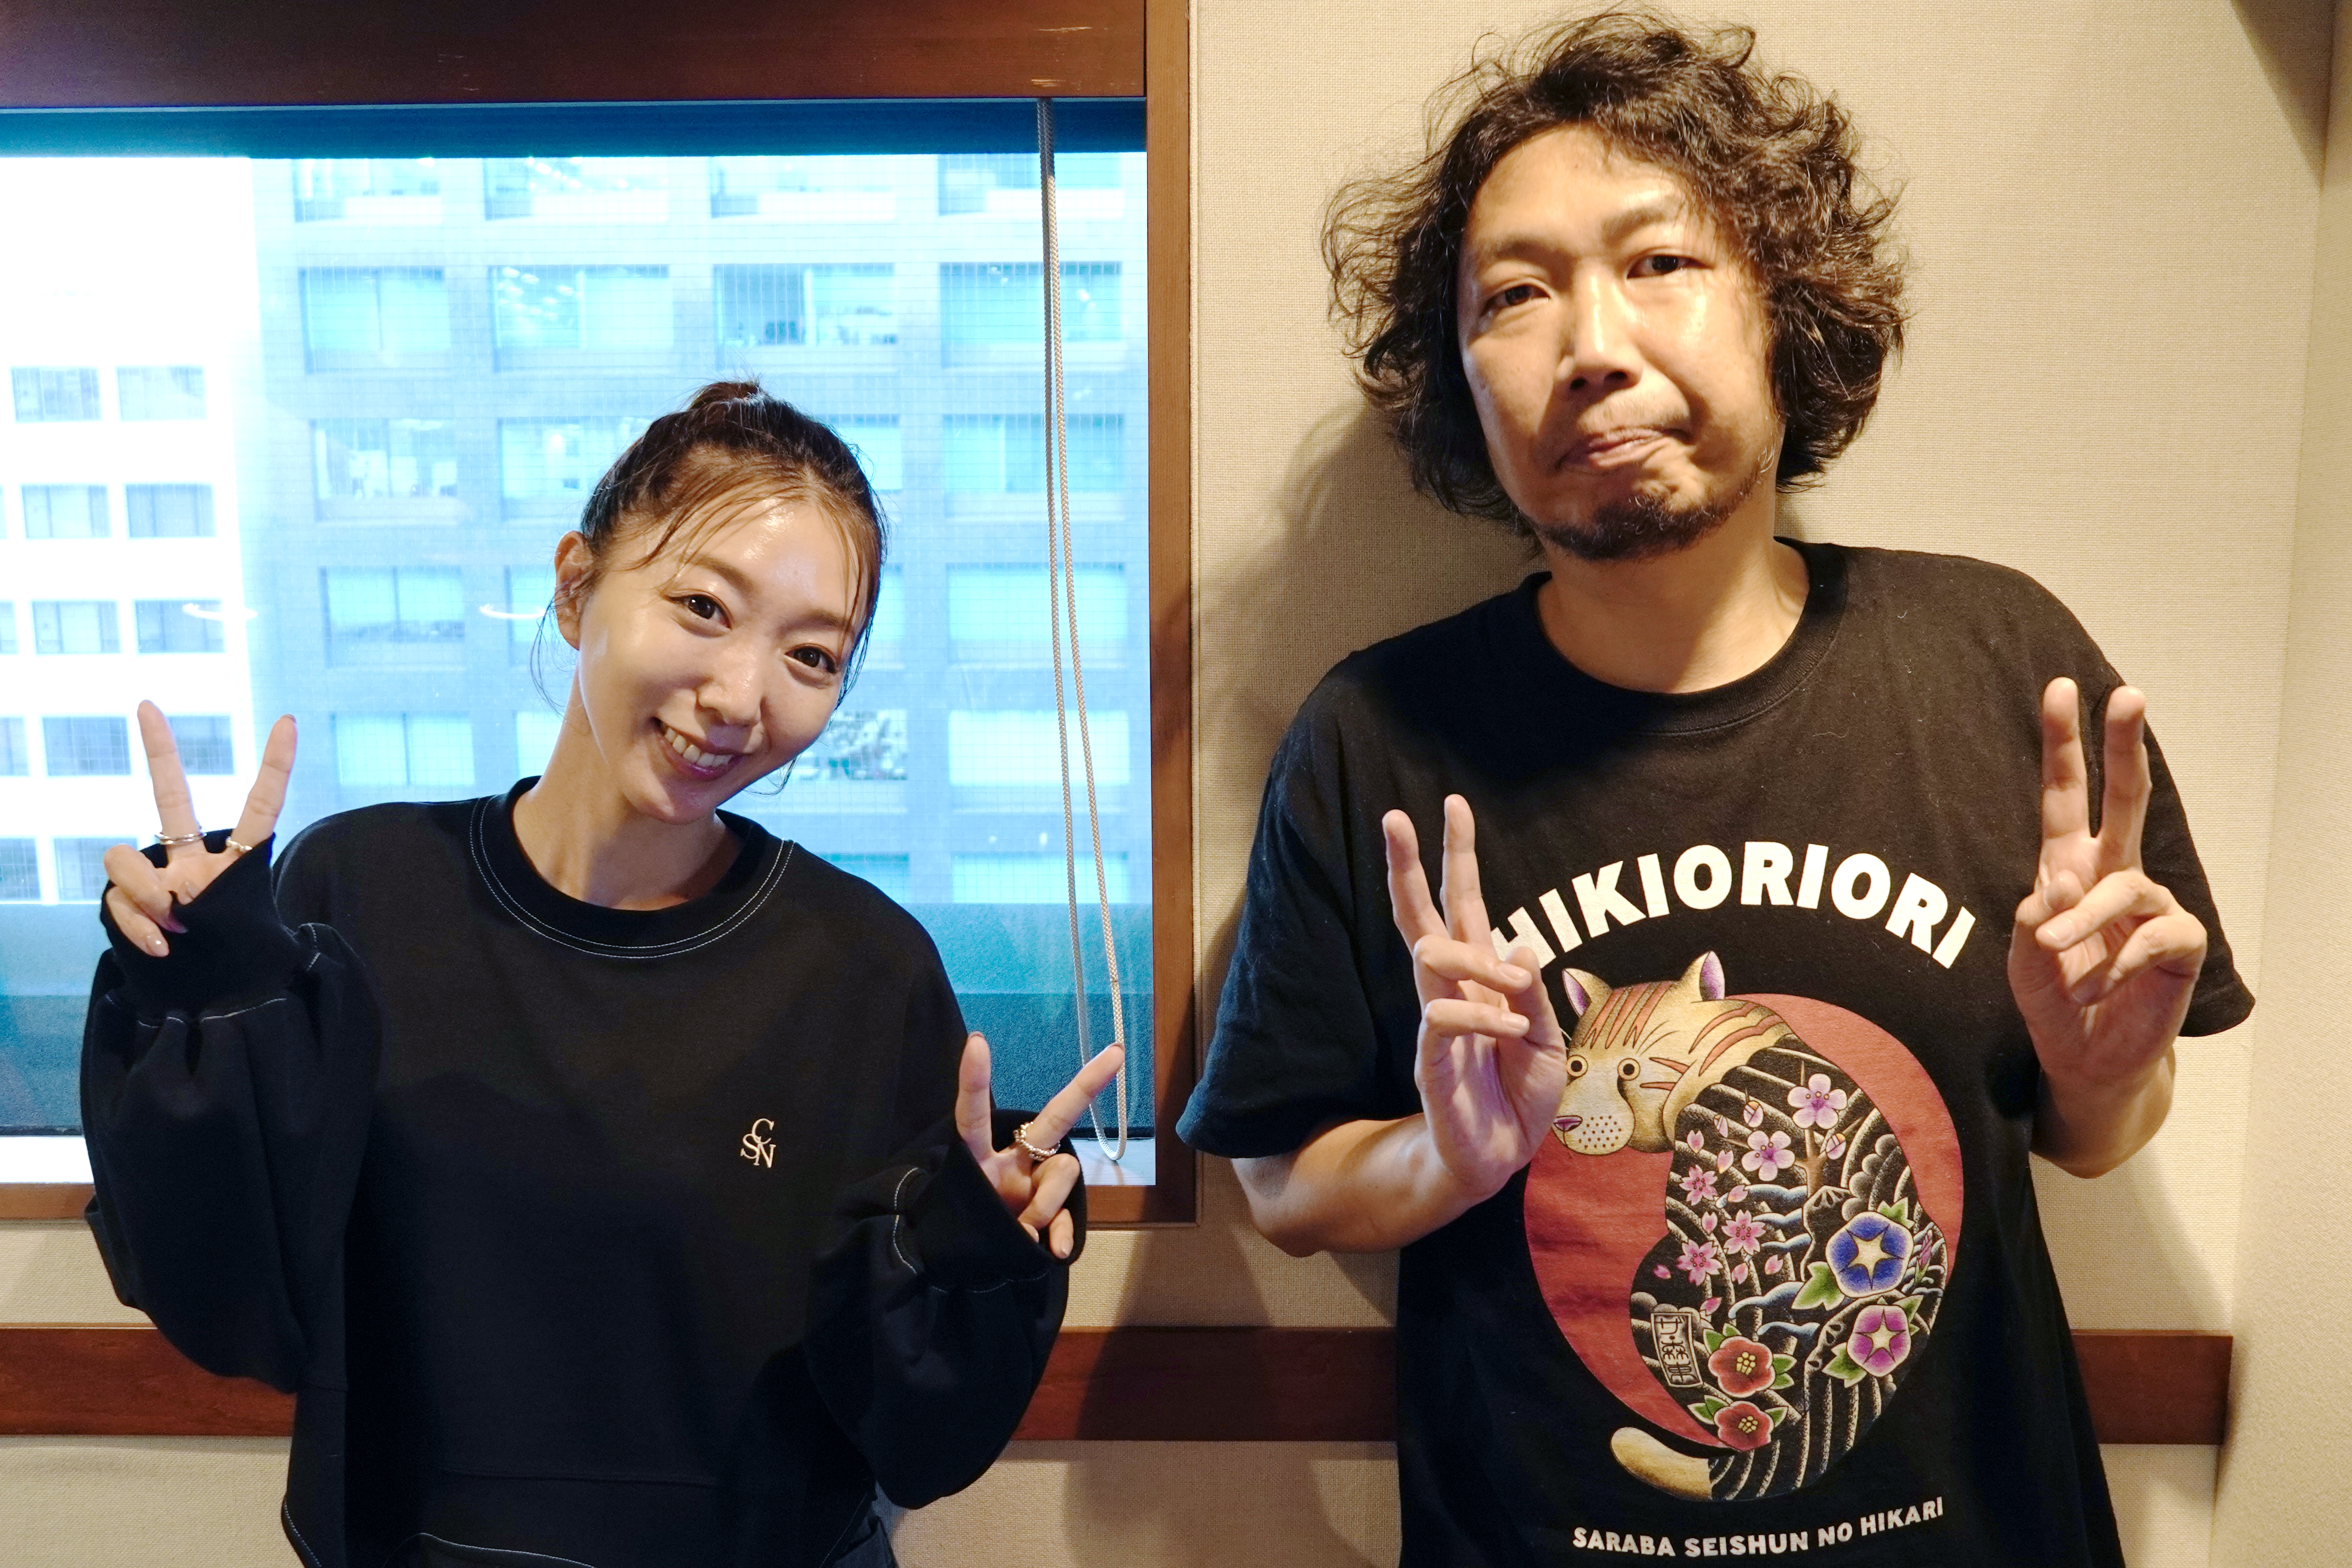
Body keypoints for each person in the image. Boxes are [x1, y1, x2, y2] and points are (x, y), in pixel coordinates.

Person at [1177, 10, 2250, 1565]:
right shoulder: (1376, 737)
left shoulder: (1999, 659)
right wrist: (1450, 1157)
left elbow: (2098, 1132)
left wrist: (2100, 1068)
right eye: (1514, 294)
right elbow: (1282, 1180)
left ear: (1783, 309)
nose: (1592, 345)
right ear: (1460, 379)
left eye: (1659, 261)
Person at [82, 381, 1121, 1568]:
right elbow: (229, 1301)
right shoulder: (358, 888)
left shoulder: (860, 968)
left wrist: (969, 1251)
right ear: (576, 586)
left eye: (810, 654)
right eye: (702, 607)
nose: (740, 696)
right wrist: (196, 994)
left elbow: (918, 1438)